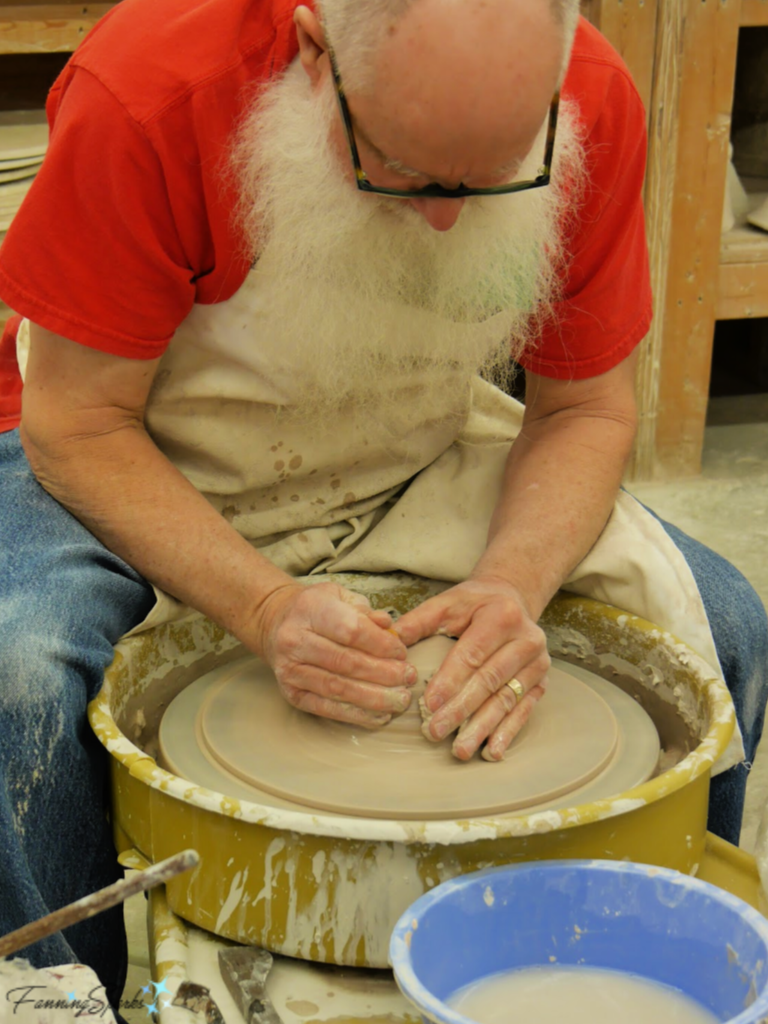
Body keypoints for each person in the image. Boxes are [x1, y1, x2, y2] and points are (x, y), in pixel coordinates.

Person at [0, 0, 765, 1014]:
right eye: (406, 172)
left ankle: (642, 965)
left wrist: (512, 584)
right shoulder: (154, 87)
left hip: (406, 446)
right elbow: (77, 428)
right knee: (21, 669)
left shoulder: (588, 97)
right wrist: (267, 607)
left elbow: (583, 409)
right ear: (316, 51)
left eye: (491, 177)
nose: (449, 217)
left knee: (724, 625)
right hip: (137, 450)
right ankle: (67, 990)